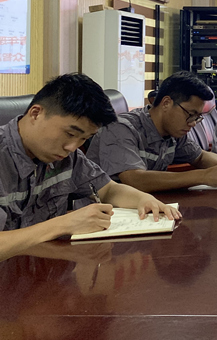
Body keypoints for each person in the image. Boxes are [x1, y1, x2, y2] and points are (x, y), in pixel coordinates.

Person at [0, 74, 179, 260]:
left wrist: (143, 199)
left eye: (84, 138)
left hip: (47, 266)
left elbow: (108, 189)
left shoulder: (67, 156)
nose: (72, 147)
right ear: (36, 114)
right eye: (70, 134)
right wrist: (62, 225)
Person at [86, 71, 217, 193]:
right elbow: (135, 180)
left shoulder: (173, 133)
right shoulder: (121, 128)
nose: (193, 123)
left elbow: (199, 157)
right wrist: (203, 176)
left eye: (197, 117)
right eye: (190, 114)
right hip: (106, 213)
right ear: (166, 103)